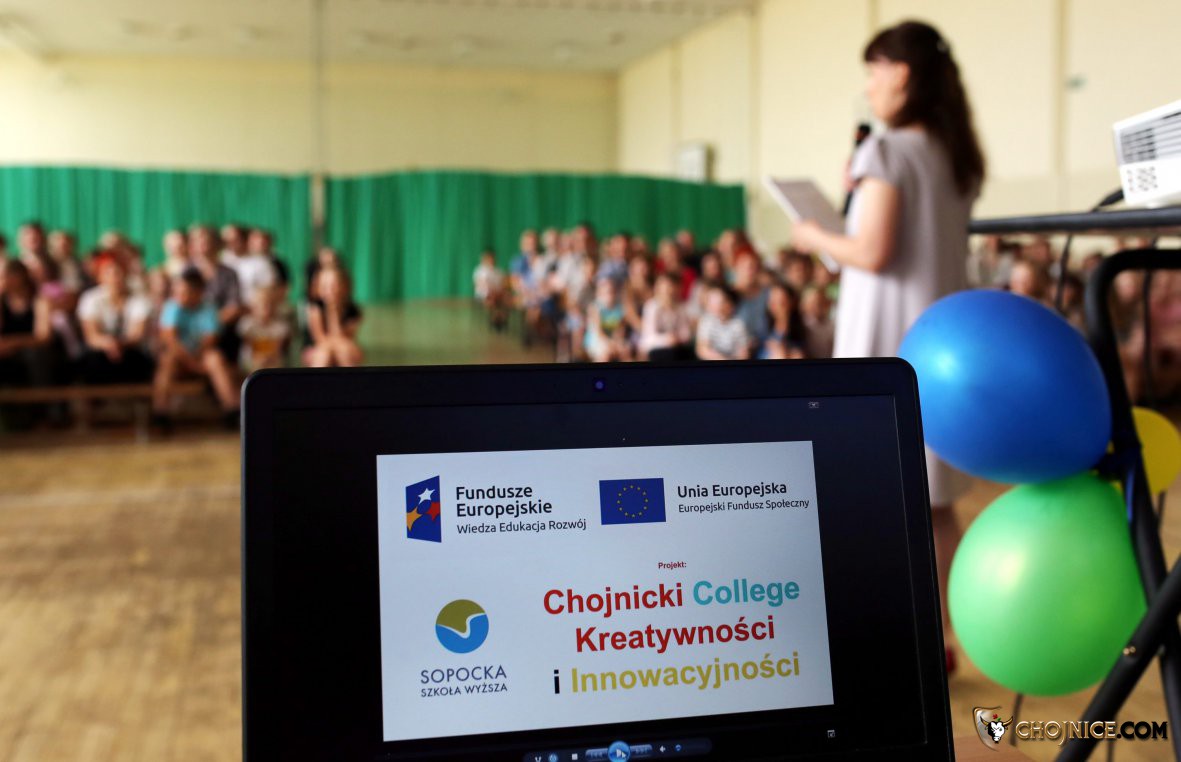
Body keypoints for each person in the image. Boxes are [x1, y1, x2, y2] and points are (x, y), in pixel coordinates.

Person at [788, 19, 986, 666]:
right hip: (942, 343)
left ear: (901, 73)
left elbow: (871, 251)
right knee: (934, 504)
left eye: (873, 71)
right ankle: (944, 636)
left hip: (888, 339)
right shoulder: (953, 154)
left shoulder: (888, 149)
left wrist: (813, 235)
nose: (869, 86)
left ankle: (897, 637)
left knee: (876, 495)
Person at [152, 268, 240, 431]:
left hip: (201, 357)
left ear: (198, 292)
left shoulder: (209, 307)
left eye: (184, 292)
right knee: (168, 359)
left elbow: (210, 339)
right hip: (181, 359)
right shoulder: (171, 307)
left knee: (215, 358)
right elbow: (170, 340)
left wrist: (196, 360)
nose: (180, 295)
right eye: (177, 291)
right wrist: (191, 362)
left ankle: (233, 409)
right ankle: (161, 412)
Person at [76, 257, 154, 384]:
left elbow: (136, 335)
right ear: (100, 277)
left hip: (131, 351)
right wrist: (109, 344)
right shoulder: (90, 298)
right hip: (100, 351)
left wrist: (119, 345)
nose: (115, 278)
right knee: (91, 362)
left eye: (118, 273)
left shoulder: (139, 299)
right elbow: (91, 336)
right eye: (109, 274)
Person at [303, 268, 364, 368]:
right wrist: (330, 310)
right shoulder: (315, 309)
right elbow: (320, 339)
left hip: (344, 347)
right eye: (325, 286)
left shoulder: (353, 311)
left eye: (334, 285)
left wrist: (334, 312)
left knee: (344, 351)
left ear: (344, 286)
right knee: (324, 354)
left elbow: (345, 337)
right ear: (318, 288)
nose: (330, 290)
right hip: (319, 348)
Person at [639, 273, 692, 362]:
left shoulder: (680, 307)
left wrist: (678, 338)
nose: (668, 291)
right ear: (658, 290)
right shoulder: (651, 307)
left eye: (670, 287)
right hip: (655, 349)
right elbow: (648, 338)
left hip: (676, 347)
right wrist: (667, 339)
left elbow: (686, 334)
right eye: (665, 288)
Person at [237, 284, 290, 372]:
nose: (268, 309)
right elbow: (249, 346)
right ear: (254, 307)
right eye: (264, 305)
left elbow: (278, 349)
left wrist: (268, 358)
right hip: (252, 363)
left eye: (272, 304)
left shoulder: (280, 326)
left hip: (274, 362)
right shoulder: (247, 325)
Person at [695, 285, 750, 361]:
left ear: (731, 305)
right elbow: (702, 349)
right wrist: (721, 359)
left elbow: (744, 353)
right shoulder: (706, 321)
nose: (716, 306)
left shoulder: (738, 324)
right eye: (712, 302)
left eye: (720, 302)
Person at [583, 277, 630, 362]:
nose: (610, 295)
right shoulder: (594, 308)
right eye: (607, 292)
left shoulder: (620, 309)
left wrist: (616, 343)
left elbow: (619, 331)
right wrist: (611, 344)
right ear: (600, 294)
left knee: (625, 350)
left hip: (613, 340)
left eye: (612, 292)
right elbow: (599, 332)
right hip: (596, 340)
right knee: (606, 353)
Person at [760, 281, 807, 359]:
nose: (773, 305)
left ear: (791, 302)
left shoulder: (800, 331)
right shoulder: (764, 329)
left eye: (780, 301)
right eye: (771, 300)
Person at [473, 249, 509, 329]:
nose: (491, 260)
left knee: (506, 299)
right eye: (488, 258)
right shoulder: (480, 270)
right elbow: (480, 284)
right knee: (491, 299)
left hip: (498, 294)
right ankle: (496, 318)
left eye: (492, 258)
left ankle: (500, 318)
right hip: (484, 295)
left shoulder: (499, 271)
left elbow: (503, 285)